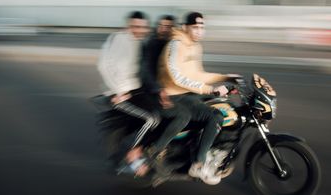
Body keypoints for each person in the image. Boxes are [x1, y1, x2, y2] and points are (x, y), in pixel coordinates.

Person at [158, 12, 233, 185]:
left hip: (187, 93)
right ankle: (198, 164)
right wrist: (210, 90)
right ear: (186, 27)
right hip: (174, 95)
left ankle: (207, 147)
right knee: (215, 116)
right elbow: (176, 77)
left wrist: (225, 77)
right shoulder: (176, 44)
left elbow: (198, 75)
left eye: (202, 27)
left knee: (223, 105)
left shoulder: (195, 46)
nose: (199, 31)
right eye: (195, 27)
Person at [97, 11, 157, 176]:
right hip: (119, 93)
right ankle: (133, 155)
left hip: (135, 89)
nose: (138, 30)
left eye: (142, 27)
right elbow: (103, 66)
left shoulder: (140, 41)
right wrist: (118, 91)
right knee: (150, 119)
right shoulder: (119, 39)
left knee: (160, 113)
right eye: (135, 26)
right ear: (128, 25)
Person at [140, 15, 192, 162]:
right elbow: (146, 72)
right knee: (182, 116)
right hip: (152, 91)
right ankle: (156, 149)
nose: (164, 29)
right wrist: (159, 90)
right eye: (161, 25)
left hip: (169, 90)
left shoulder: (172, 45)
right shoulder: (153, 44)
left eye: (168, 27)